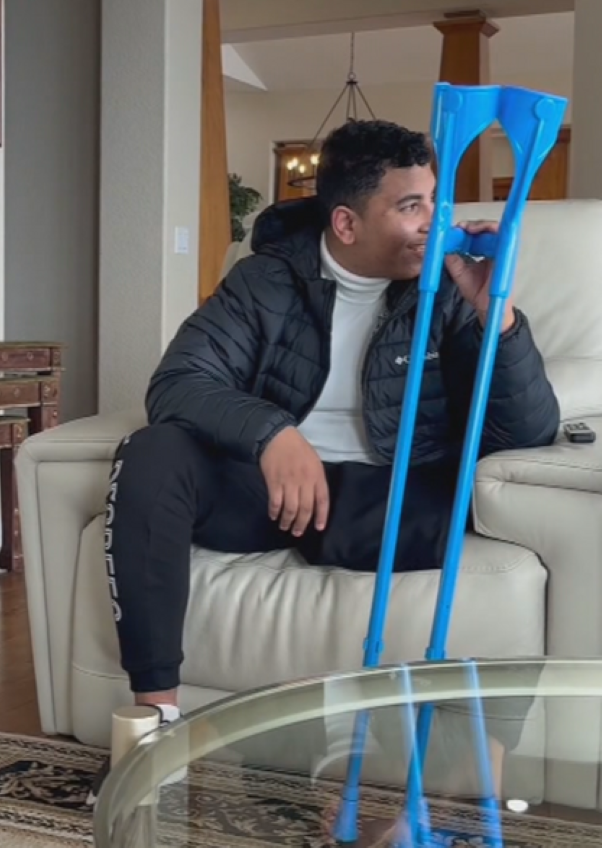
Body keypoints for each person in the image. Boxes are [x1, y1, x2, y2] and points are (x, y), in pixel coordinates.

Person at [96, 118, 560, 792]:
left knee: (459, 512)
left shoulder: (449, 290)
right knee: (151, 452)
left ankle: (435, 781)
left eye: (434, 201)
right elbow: (177, 383)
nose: (433, 223)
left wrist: (497, 312)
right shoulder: (265, 281)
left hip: (389, 496)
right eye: (411, 206)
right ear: (346, 223)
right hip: (270, 491)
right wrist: (272, 435)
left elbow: (526, 436)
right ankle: (155, 725)